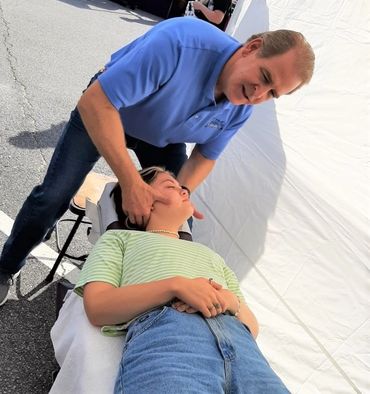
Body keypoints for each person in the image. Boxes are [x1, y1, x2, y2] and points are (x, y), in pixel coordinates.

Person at [0, 17, 315, 306]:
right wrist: (131, 183)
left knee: (180, 222)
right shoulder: (181, 43)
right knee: (53, 197)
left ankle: (147, 297)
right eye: (264, 77)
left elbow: (206, 156)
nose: (259, 94)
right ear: (252, 47)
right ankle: (6, 267)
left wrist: (181, 194)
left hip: (161, 137)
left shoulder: (242, 107)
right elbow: (96, 101)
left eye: (273, 93)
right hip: (106, 110)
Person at [71, 166, 289, 393]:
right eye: (170, 186)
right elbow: (97, 307)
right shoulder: (119, 240)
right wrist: (176, 286)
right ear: (144, 201)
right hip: (173, 340)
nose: (185, 191)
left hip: (243, 349)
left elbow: (251, 327)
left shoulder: (211, 256)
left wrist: (227, 301)